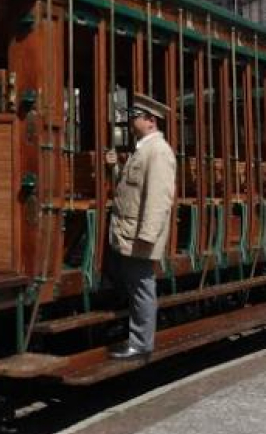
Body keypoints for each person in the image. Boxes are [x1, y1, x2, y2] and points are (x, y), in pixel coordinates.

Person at [104, 92, 176, 361]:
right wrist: (114, 169)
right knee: (134, 284)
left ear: (150, 120)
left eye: (134, 117)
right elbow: (129, 189)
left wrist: (147, 235)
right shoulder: (143, 150)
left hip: (138, 236)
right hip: (128, 233)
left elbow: (158, 198)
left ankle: (141, 344)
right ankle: (137, 339)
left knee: (142, 286)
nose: (130, 121)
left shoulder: (158, 152)